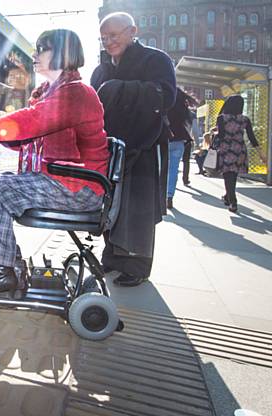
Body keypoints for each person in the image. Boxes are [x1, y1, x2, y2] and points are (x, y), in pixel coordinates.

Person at [0, 29, 109, 298]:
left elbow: (33, 120)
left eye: (41, 48)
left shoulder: (76, 93)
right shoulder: (54, 92)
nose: (35, 55)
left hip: (80, 189)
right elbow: (27, 136)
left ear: (61, 53)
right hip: (64, 181)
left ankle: (3, 272)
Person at [91, 12, 176, 287]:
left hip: (144, 145)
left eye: (113, 36)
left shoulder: (156, 59)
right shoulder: (101, 68)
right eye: (104, 38)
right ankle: (112, 258)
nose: (108, 42)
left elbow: (165, 95)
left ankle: (137, 267)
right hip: (108, 149)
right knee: (111, 206)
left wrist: (120, 89)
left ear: (132, 31)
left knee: (137, 208)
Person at [214, 95, 267, 213]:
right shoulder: (245, 119)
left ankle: (233, 202)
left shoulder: (221, 118)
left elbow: (221, 136)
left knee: (227, 175)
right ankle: (228, 197)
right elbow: (252, 137)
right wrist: (261, 154)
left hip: (226, 149)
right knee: (233, 175)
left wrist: (215, 133)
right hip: (239, 151)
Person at [166, 88, 197, 209]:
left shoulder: (165, 106)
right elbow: (188, 127)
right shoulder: (183, 110)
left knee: (161, 169)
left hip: (164, 140)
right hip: (179, 141)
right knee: (173, 169)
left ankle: (161, 195)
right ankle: (169, 196)